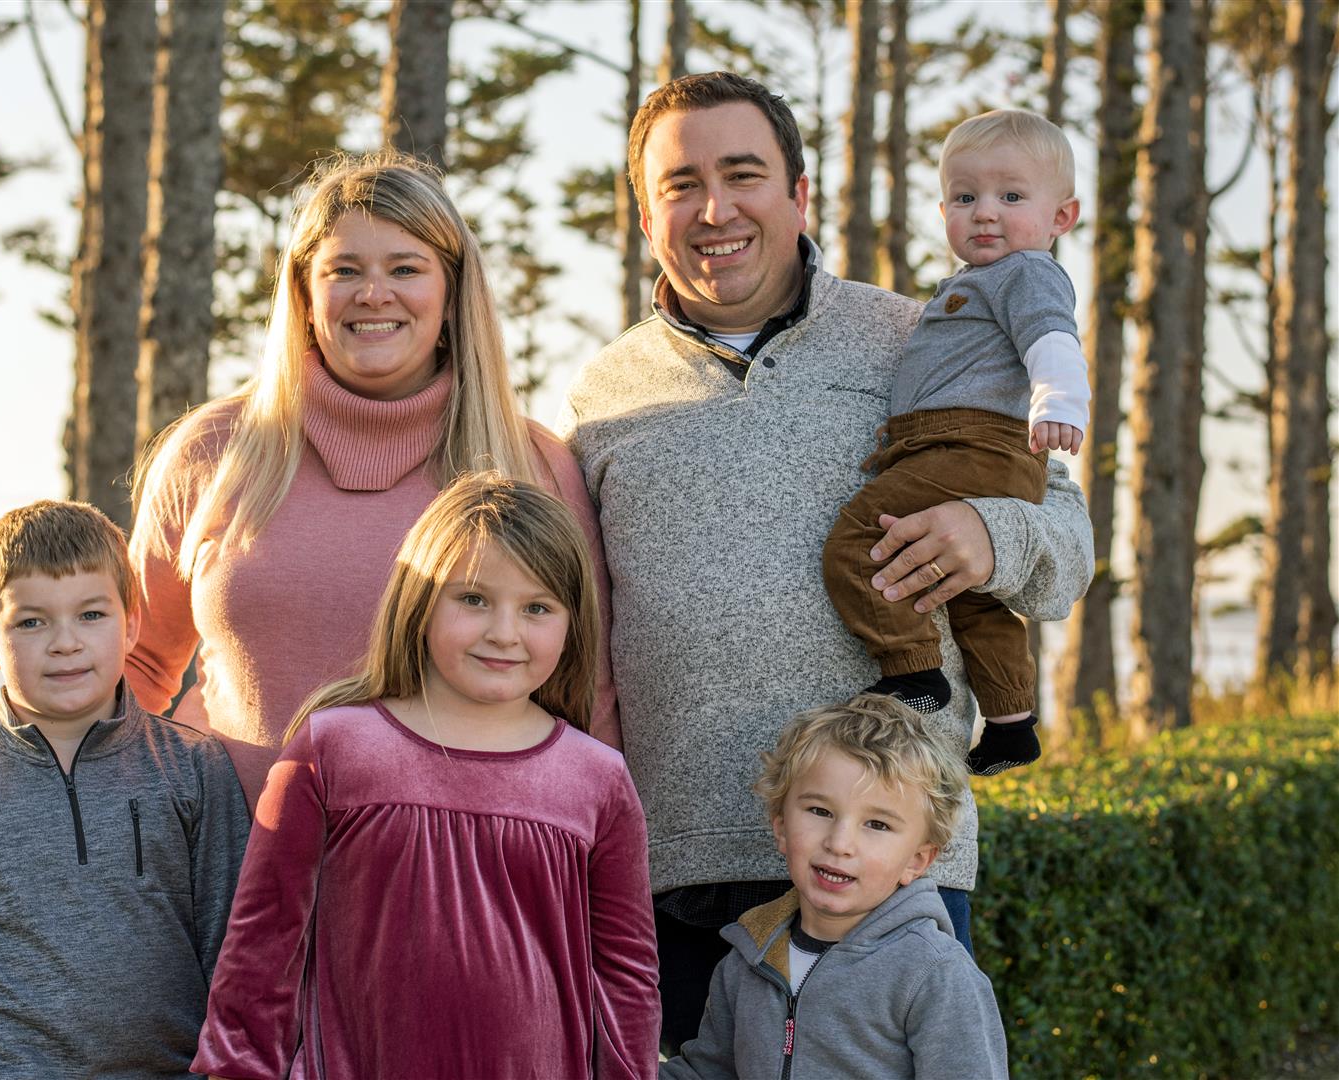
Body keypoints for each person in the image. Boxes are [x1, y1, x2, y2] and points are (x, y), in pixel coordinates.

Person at [557, 72, 1093, 1050]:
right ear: (646, 213)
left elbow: (1068, 548)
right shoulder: (602, 392)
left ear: (800, 195)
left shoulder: (919, 337)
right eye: (681, 184)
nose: (715, 209)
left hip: (886, 866)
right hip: (676, 870)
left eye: (743, 173)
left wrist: (990, 533)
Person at [128, 153, 616, 808]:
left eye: (406, 269)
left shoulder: (529, 466)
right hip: (222, 872)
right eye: (344, 272)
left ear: (451, 295)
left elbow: (592, 700)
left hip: (452, 880)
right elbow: (135, 665)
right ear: (304, 296)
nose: (373, 293)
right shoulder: (214, 452)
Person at [192, 473, 660, 1080]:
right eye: (473, 599)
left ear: (572, 624)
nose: (504, 632)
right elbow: (265, 937)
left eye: (537, 607)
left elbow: (626, 971)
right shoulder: (332, 749)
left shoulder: (596, 779)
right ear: (420, 601)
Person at [0, 500, 250, 1079]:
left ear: (131, 625)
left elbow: (234, 960)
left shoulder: (194, 770)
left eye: (91, 615)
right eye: (31, 621)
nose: (65, 642)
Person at [823, 109, 1089, 776]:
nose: (985, 213)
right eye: (965, 197)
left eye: (1011, 195)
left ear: (1062, 217)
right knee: (969, 595)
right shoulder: (970, 284)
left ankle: (913, 672)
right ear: (942, 208)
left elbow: (1052, 337)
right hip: (958, 451)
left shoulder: (1026, 273)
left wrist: (1057, 404)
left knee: (861, 541)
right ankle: (1011, 722)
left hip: (972, 447)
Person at [660, 694, 1008, 1080]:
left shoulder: (935, 973)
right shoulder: (747, 959)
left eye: (877, 824)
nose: (839, 843)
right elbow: (707, 1073)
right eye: (820, 812)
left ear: (917, 860)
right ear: (780, 827)